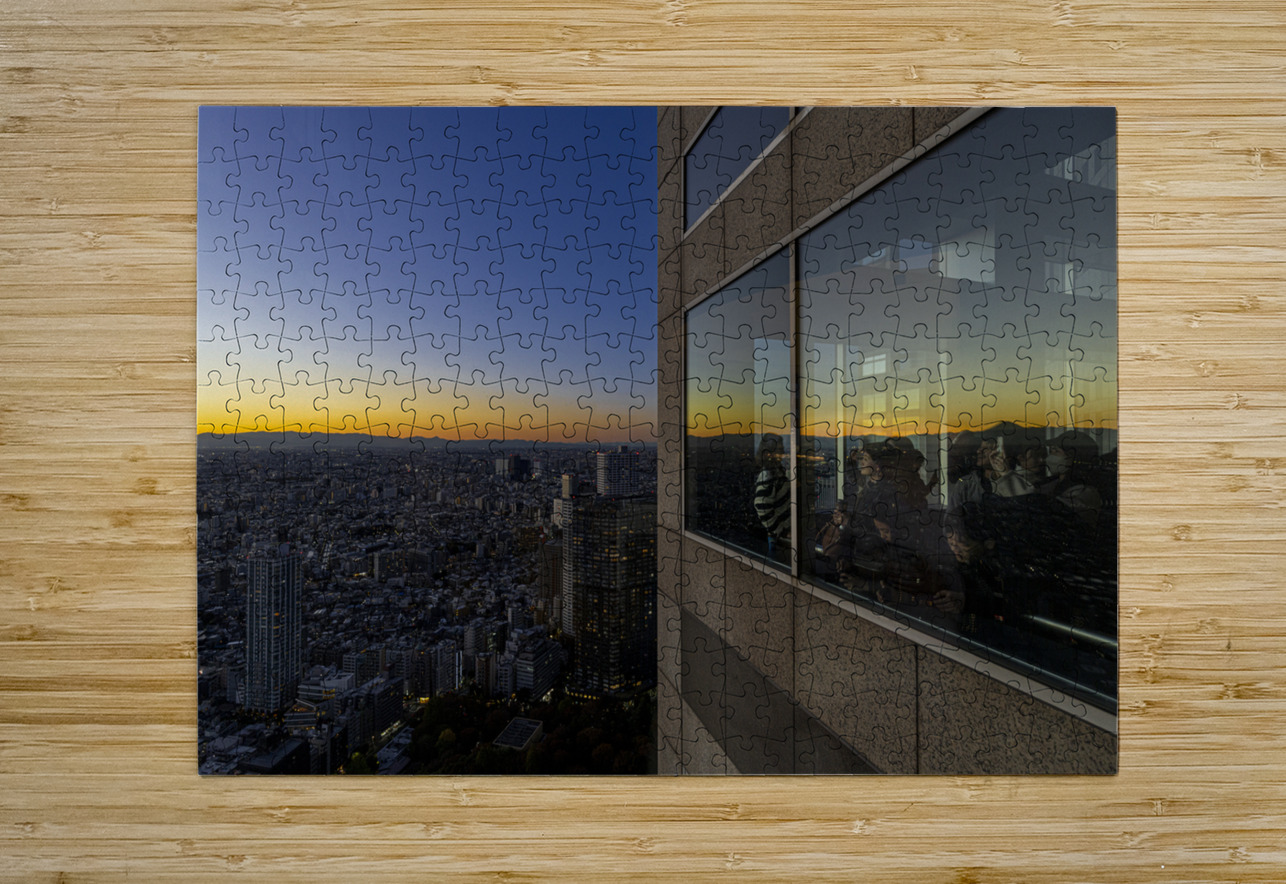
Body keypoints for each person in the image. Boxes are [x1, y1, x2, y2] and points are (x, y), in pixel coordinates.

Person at [754, 433, 791, 553]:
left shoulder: (776, 472)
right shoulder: (767, 475)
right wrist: (781, 531)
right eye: (779, 450)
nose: (782, 453)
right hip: (778, 538)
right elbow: (762, 507)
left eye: (782, 449)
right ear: (767, 453)